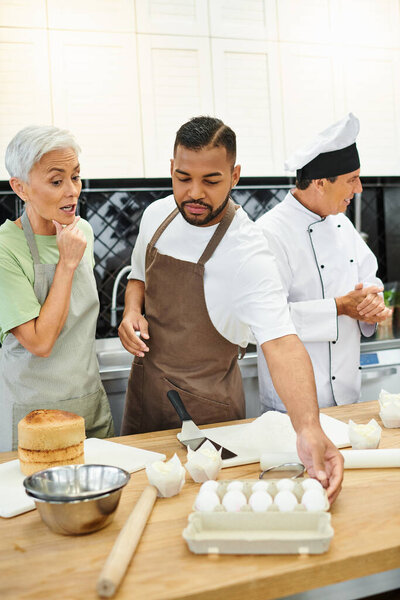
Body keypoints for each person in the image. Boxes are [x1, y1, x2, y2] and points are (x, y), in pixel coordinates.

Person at [118, 116, 343, 502]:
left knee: (201, 510)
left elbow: (281, 342)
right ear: (171, 168)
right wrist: (130, 311)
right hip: (142, 398)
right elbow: (138, 275)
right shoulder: (157, 215)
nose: (194, 193)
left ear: (235, 175)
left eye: (211, 180)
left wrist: (308, 427)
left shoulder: (247, 251)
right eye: (183, 177)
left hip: (208, 418)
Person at [257, 113, 391, 413]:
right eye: (351, 180)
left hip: (347, 402)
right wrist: (339, 307)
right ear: (319, 183)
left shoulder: (342, 226)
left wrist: (372, 306)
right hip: (291, 408)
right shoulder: (269, 233)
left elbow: (370, 283)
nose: (359, 190)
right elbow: (264, 319)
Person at [0, 125, 114, 451]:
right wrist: (66, 264)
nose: (72, 191)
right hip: (32, 414)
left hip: (87, 405)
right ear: (20, 187)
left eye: (75, 177)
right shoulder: (4, 249)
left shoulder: (84, 233)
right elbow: (40, 342)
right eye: (56, 181)